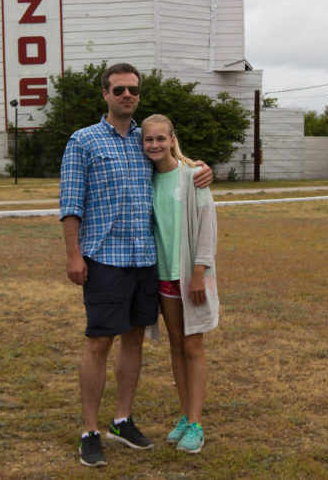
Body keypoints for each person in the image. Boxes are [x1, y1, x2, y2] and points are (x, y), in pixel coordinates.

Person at [59, 63, 212, 467]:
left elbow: (173, 166)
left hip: (145, 260)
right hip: (103, 259)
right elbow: (70, 204)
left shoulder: (144, 141)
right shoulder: (83, 141)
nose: (127, 95)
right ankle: (90, 430)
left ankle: (122, 419)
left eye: (133, 90)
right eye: (119, 90)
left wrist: (201, 169)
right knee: (98, 343)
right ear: (105, 95)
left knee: (134, 341)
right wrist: (74, 256)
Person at [141, 113, 219, 454]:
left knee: (193, 347)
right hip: (163, 278)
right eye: (149, 140)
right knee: (175, 345)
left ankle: (197, 423)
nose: (155, 145)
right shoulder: (145, 179)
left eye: (161, 138)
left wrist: (200, 271)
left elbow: (207, 226)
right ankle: (186, 416)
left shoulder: (193, 177)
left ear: (172, 140)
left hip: (191, 277)